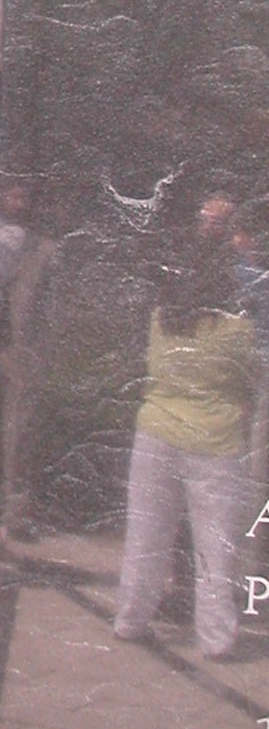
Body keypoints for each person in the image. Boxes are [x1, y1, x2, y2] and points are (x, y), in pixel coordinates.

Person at [113, 191, 257, 659]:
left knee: (147, 537)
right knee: (216, 550)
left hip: (155, 433)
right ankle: (217, 637)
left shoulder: (161, 321)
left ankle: (130, 618)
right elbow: (250, 381)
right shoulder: (237, 331)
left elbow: (151, 367)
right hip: (216, 445)